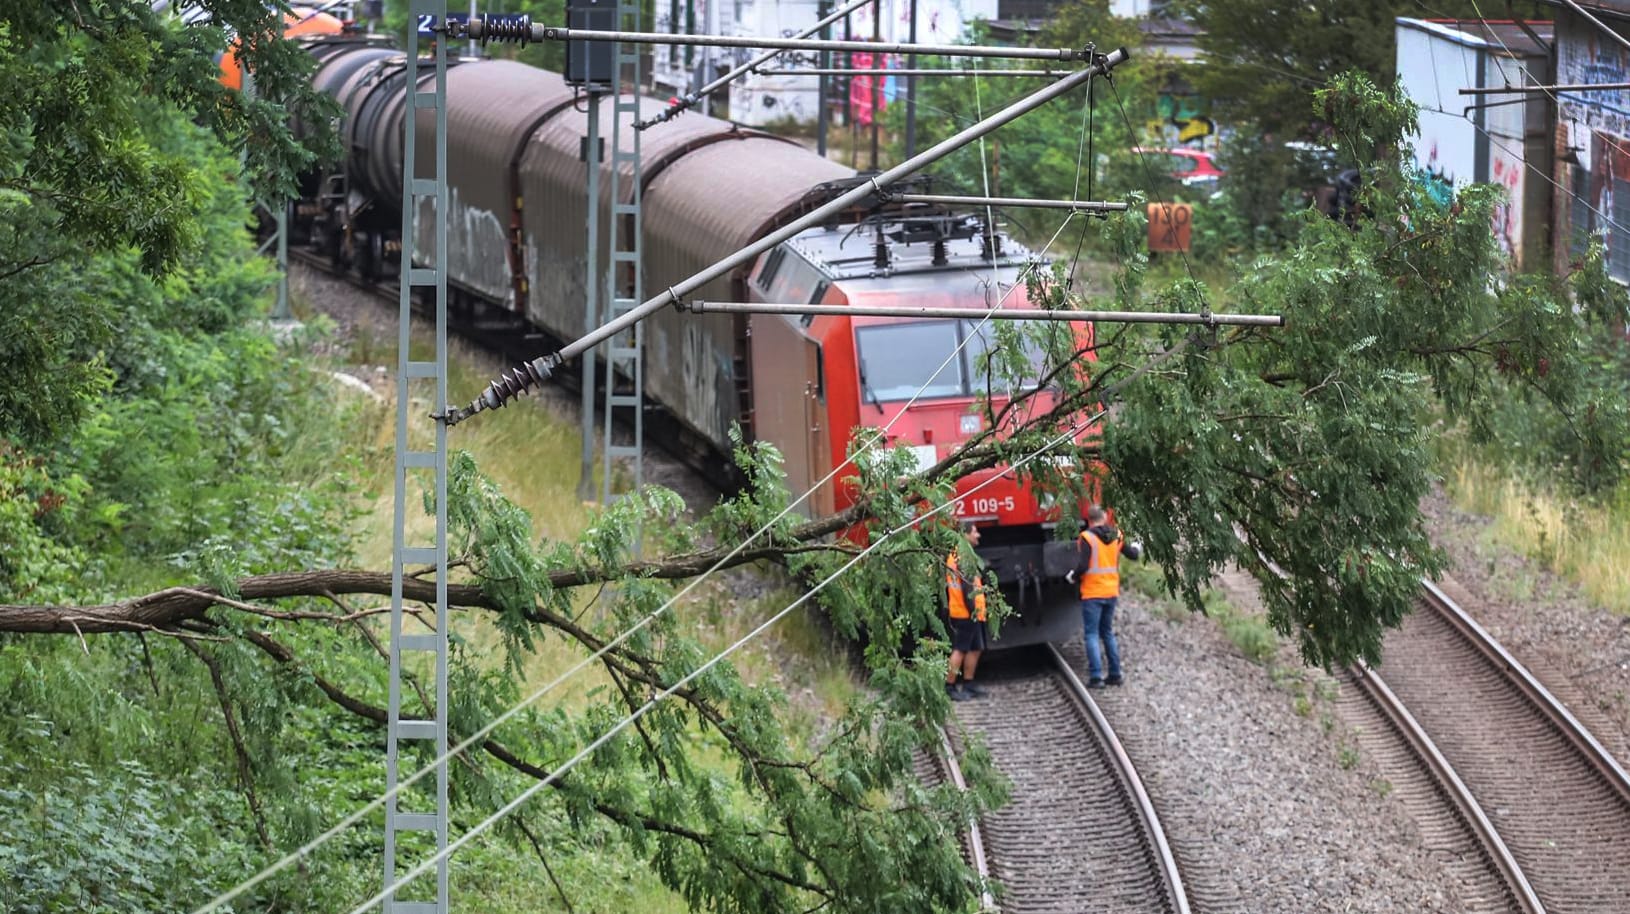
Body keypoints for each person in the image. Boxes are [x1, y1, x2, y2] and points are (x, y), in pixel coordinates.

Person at [1067, 506, 1141, 689]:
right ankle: (1115, 674)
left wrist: (1071, 576)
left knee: (1091, 634)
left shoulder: (1087, 538)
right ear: (1105, 517)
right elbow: (1133, 554)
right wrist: (1139, 545)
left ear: (1089, 520)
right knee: (1107, 632)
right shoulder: (1117, 535)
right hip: (1111, 592)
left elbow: (1083, 565)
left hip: (1092, 592)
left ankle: (1096, 677)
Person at [944, 522, 989, 702]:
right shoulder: (963, 557)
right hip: (965, 613)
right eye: (975, 531)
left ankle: (968, 683)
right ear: (965, 535)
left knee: (975, 648)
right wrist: (973, 611)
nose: (977, 535)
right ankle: (950, 686)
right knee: (960, 649)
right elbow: (966, 588)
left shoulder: (959, 555)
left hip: (969, 611)